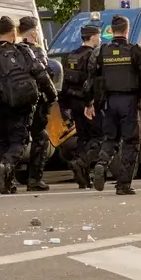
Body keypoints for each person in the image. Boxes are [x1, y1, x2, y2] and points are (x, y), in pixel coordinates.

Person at [0, 16, 56, 194]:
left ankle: (7, 183)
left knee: (5, 141)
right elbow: (41, 75)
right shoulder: (24, 51)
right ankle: (5, 166)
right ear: (14, 32)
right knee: (19, 142)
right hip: (21, 104)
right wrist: (52, 95)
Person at [81, 15, 141, 195]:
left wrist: (89, 102)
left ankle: (101, 164)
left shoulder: (100, 52)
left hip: (108, 102)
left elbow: (89, 81)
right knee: (130, 142)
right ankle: (123, 184)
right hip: (130, 102)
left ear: (111, 30)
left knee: (110, 138)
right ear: (127, 30)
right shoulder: (137, 50)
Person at [60, 24, 103, 188]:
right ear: (92, 37)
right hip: (88, 103)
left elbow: (65, 81)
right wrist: (90, 102)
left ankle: (82, 177)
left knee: (83, 137)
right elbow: (93, 82)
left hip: (73, 102)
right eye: (98, 36)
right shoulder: (93, 56)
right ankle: (82, 162)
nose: (99, 39)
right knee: (99, 137)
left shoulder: (71, 55)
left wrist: (65, 105)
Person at [17, 16, 54, 191]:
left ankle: (8, 176)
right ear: (33, 33)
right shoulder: (37, 50)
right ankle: (34, 179)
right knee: (40, 138)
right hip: (35, 101)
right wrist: (51, 96)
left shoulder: (14, 49)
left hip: (15, 101)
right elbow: (43, 75)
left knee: (16, 140)